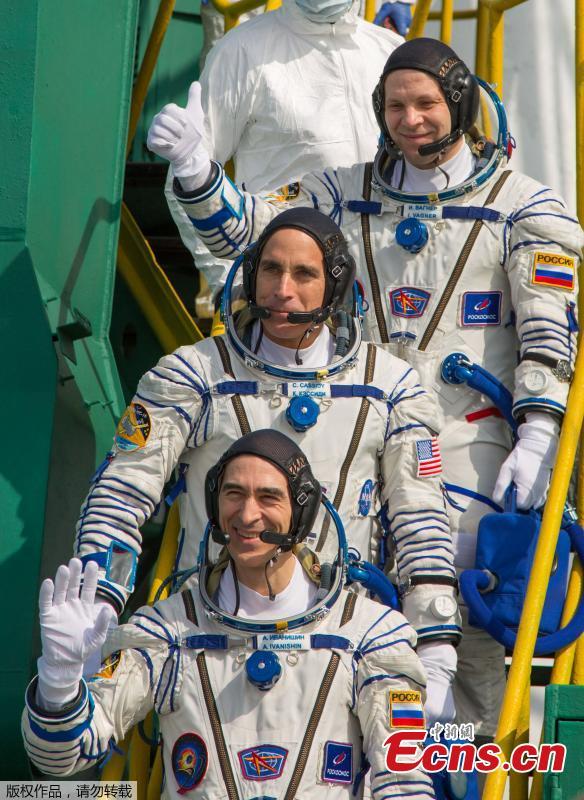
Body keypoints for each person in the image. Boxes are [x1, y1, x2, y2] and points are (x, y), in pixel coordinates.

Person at [147, 37, 584, 741]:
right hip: (358, 437)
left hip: (471, 448)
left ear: (460, 105)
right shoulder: (340, 193)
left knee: (460, 607)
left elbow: (548, 333)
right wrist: (199, 172)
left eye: (426, 104)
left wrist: (537, 435)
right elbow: (255, 236)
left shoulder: (523, 208)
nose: (410, 120)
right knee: (323, 599)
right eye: (395, 106)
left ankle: (463, 759)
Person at [74, 207, 459, 725]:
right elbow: (123, 491)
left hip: (344, 642)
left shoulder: (390, 388)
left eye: (304, 275)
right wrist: (98, 600)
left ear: (335, 286)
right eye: (271, 270)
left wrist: (434, 644)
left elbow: (421, 518)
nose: (283, 290)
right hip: (207, 638)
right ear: (251, 274)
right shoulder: (193, 375)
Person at [24, 431, 437, 798]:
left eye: (269, 497)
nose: (247, 515)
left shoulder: (369, 637)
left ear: (303, 511)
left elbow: (404, 783)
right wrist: (59, 682)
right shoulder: (166, 633)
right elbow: (62, 757)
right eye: (234, 494)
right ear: (214, 502)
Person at [161, 0, 403, 297]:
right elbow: (186, 178)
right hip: (287, 298)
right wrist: (233, 283)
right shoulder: (241, 50)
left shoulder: (390, 52)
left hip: (383, 293)